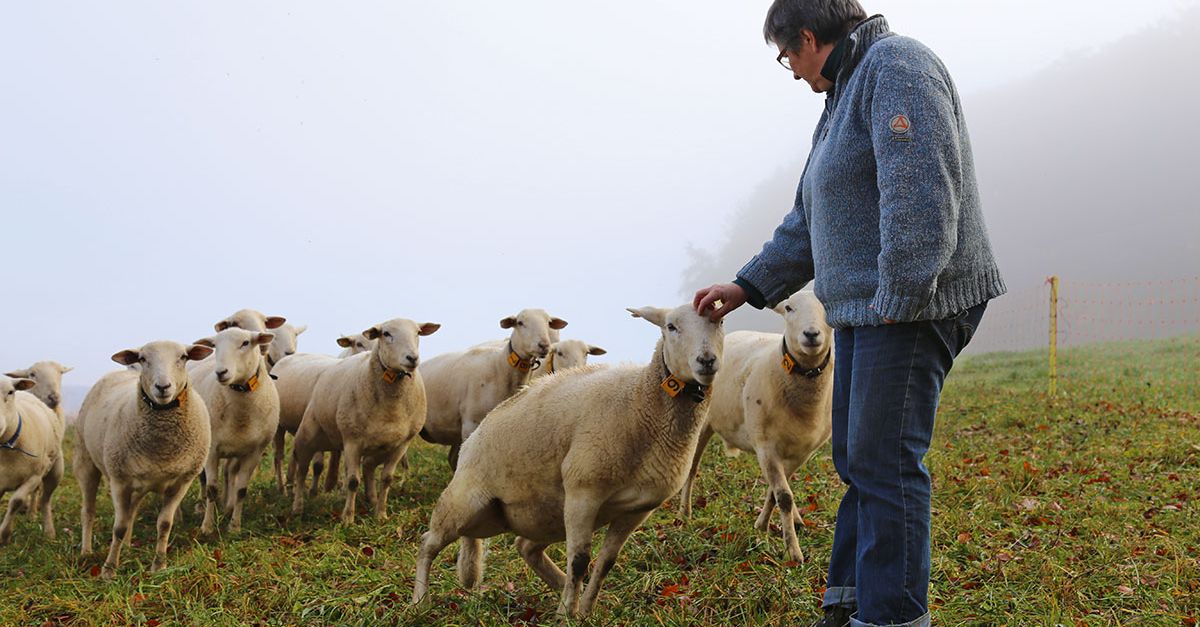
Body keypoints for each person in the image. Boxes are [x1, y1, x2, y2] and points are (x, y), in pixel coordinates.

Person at [693, 2, 1006, 626]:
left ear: (809, 37)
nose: (789, 71)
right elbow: (810, 223)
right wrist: (748, 285)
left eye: (786, 56)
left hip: (912, 308)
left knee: (885, 464)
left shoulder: (897, 67)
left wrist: (901, 298)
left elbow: (922, 192)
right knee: (859, 461)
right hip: (866, 310)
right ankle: (849, 605)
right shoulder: (842, 97)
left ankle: (890, 617)